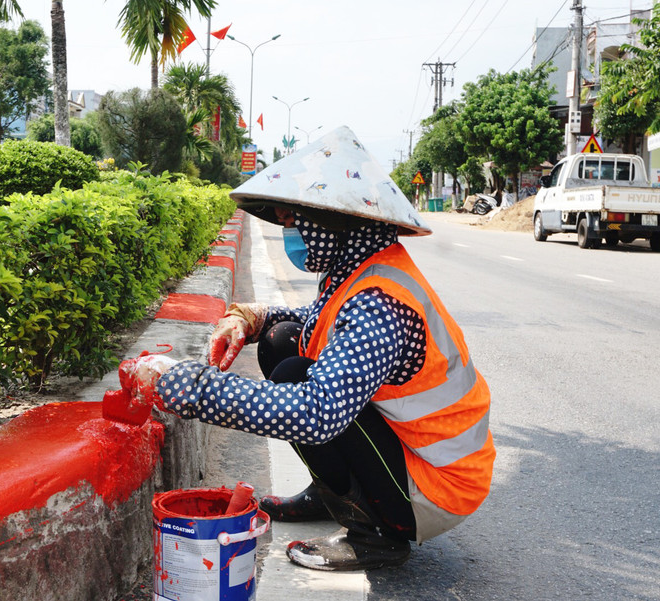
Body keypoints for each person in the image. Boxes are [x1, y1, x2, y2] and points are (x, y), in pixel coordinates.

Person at [124, 126, 495, 571]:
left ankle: (377, 533)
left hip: (435, 488)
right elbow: (319, 321)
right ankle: (336, 491)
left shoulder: (379, 302)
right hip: (413, 454)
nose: (290, 230)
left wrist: (186, 385)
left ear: (336, 221)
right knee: (281, 345)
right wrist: (252, 318)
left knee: (298, 381)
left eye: (296, 220)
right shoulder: (360, 265)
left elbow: (315, 413)